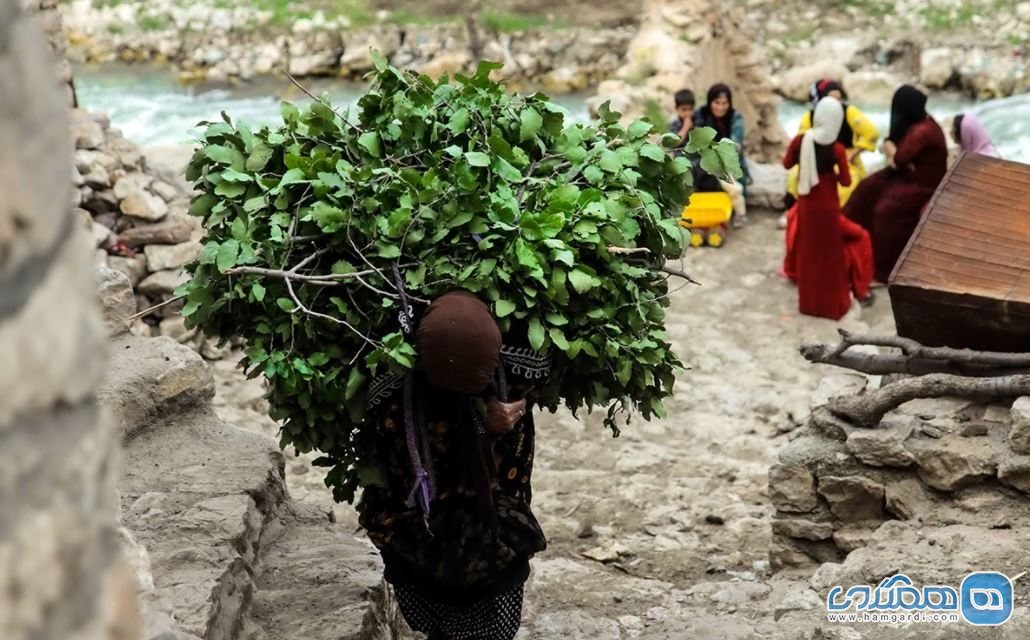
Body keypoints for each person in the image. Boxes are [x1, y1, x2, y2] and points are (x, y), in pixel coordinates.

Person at [357, 290, 551, 640]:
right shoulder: (394, 394)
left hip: (490, 543)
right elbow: (401, 466)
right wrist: (486, 428)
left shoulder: (518, 366)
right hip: (425, 542)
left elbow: (547, 375)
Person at [843, 85, 948, 284]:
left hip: (925, 185)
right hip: (910, 175)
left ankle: (886, 269)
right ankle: (850, 244)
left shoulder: (923, 131)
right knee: (867, 188)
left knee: (887, 212)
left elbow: (899, 159)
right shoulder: (921, 124)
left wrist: (889, 146)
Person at [781, 96, 873, 319]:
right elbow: (845, 181)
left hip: (806, 205)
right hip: (828, 207)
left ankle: (809, 305)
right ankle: (832, 306)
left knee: (809, 253)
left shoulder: (800, 141)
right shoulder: (837, 149)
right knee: (829, 256)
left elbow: (786, 164)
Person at [783, 79, 880, 221]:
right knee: (793, 177)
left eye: (838, 99)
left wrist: (855, 151)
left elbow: (871, 133)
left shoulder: (849, 114)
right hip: (814, 162)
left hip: (846, 160)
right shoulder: (808, 119)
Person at [693, 83, 749, 228]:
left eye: (725, 103)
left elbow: (735, 145)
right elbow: (698, 140)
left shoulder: (736, 118)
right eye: (717, 102)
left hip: (730, 162)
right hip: (704, 162)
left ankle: (740, 214)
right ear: (710, 102)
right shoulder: (701, 114)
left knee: (734, 187)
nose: (721, 107)